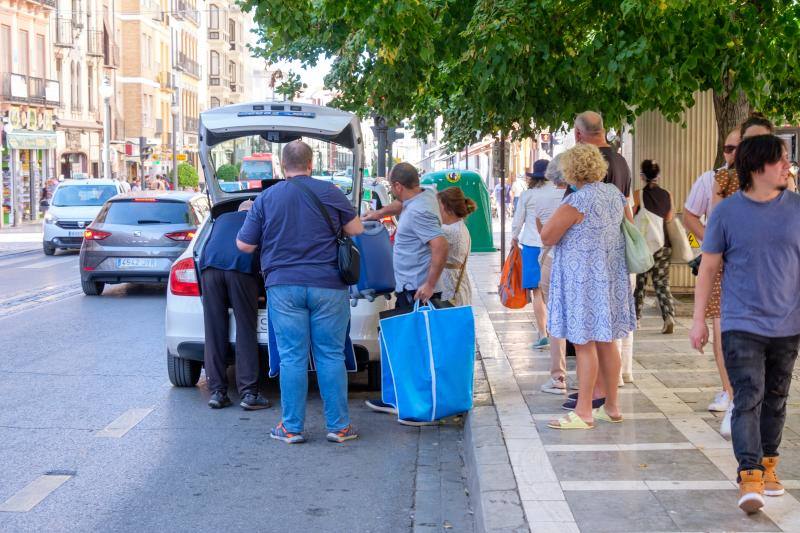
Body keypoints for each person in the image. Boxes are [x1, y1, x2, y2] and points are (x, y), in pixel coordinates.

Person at [689, 134, 800, 514]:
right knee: (748, 397)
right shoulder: (725, 212)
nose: (788, 166)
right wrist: (698, 321)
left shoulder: (797, 208)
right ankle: (749, 474)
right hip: (740, 322)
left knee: (776, 399)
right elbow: (708, 268)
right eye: (781, 161)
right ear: (757, 168)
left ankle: (769, 464)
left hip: (788, 322)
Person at [236, 140, 364, 444]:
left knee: (292, 357)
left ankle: (291, 428)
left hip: (283, 286)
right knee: (331, 355)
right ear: (311, 164)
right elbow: (357, 229)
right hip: (329, 285)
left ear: (283, 166)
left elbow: (244, 245)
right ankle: (340, 427)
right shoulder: (330, 192)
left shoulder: (267, 198)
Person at [541, 143, 635, 429]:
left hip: (583, 279)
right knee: (607, 342)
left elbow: (547, 236)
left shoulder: (576, 201)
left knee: (584, 344)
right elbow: (627, 225)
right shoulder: (614, 195)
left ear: (571, 171)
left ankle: (583, 411)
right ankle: (612, 406)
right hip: (610, 276)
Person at [361, 162, 449, 420]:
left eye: (391, 188)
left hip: (418, 291)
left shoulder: (420, 210)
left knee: (414, 349)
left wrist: (430, 284)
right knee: (408, 346)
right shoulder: (426, 194)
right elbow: (402, 206)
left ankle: (415, 406)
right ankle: (401, 398)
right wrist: (377, 214)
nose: (392, 192)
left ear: (398, 186)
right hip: (412, 288)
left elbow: (440, 246)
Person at [573, 111, 635, 386]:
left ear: (578, 135)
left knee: (592, 334)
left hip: (592, 260)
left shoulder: (588, 172)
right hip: (615, 255)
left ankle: (596, 394)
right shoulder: (621, 161)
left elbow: (561, 225)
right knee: (612, 329)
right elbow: (627, 212)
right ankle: (613, 389)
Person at [683, 128, 740, 419]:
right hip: (722, 267)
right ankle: (731, 394)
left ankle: (740, 397)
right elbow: (690, 213)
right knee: (723, 332)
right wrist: (710, 243)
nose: (731, 154)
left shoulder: (772, 182)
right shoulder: (714, 179)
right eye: (728, 148)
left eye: (737, 148)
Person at [199, 200, 269, 411]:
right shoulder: (257, 219)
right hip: (241, 270)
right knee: (245, 329)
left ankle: (218, 392)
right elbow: (264, 256)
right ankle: (249, 393)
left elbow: (206, 245)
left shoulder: (221, 219)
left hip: (209, 270)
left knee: (214, 331)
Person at [526, 155, 571, 395]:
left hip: (551, 259)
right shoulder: (578, 197)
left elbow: (543, 233)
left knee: (555, 315)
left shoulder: (539, 197)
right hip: (577, 262)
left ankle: (558, 376)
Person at [511, 159, 554, 351]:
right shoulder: (558, 193)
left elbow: (518, 220)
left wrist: (513, 237)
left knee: (537, 292)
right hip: (553, 245)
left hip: (531, 245)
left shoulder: (527, 195)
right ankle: (556, 333)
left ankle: (543, 334)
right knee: (553, 291)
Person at [633, 160, 676, 334]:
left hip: (643, 246)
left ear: (642, 176)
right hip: (663, 245)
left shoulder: (638, 194)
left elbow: (632, 215)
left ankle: (635, 319)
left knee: (640, 284)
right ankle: (668, 317)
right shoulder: (667, 194)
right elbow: (669, 217)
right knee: (662, 283)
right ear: (658, 176)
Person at [437, 187, 475, 307]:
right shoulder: (461, 227)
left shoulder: (449, 231)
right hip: (459, 286)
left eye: (439, 207)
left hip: (450, 288)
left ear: (447, 208)